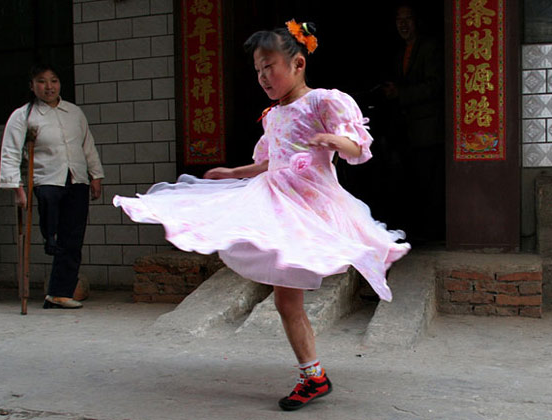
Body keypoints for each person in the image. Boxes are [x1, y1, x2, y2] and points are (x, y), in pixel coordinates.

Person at [114, 20, 410, 411]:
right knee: (287, 302)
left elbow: (357, 149)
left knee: (289, 299)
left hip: (308, 205)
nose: (263, 77)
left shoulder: (323, 101)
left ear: (298, 64)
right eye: (258, 70)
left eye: (269, 66)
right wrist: (233, 173)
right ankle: (314, 377)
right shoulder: (273, 116)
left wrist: (333, 139)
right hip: (276, 201)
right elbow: (269, 162)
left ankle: (313, 376)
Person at [0, 63, 104, 309]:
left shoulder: (74, 112)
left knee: (74, 236)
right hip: (47, 178)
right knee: (51, 212)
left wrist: (96, 175)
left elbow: (87, 145)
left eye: (53, 81)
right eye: (42, 81)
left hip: (76, 178)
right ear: (32, 86)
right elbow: (10, 152)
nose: (49, 86)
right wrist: (17, 188)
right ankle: (51, 238)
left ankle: (59, 294)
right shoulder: (24, 116)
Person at [381, 3, 445, 243]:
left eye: (408, 19)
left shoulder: (429, 47)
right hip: (408, 131)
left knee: (430, 183)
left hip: (429, 129)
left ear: (417, 21)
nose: (403, 25)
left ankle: (433, 234)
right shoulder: (400, 52)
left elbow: (435, 85)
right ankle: (419, 232)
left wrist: (401, 93)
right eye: (399, 20)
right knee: (413, 183)